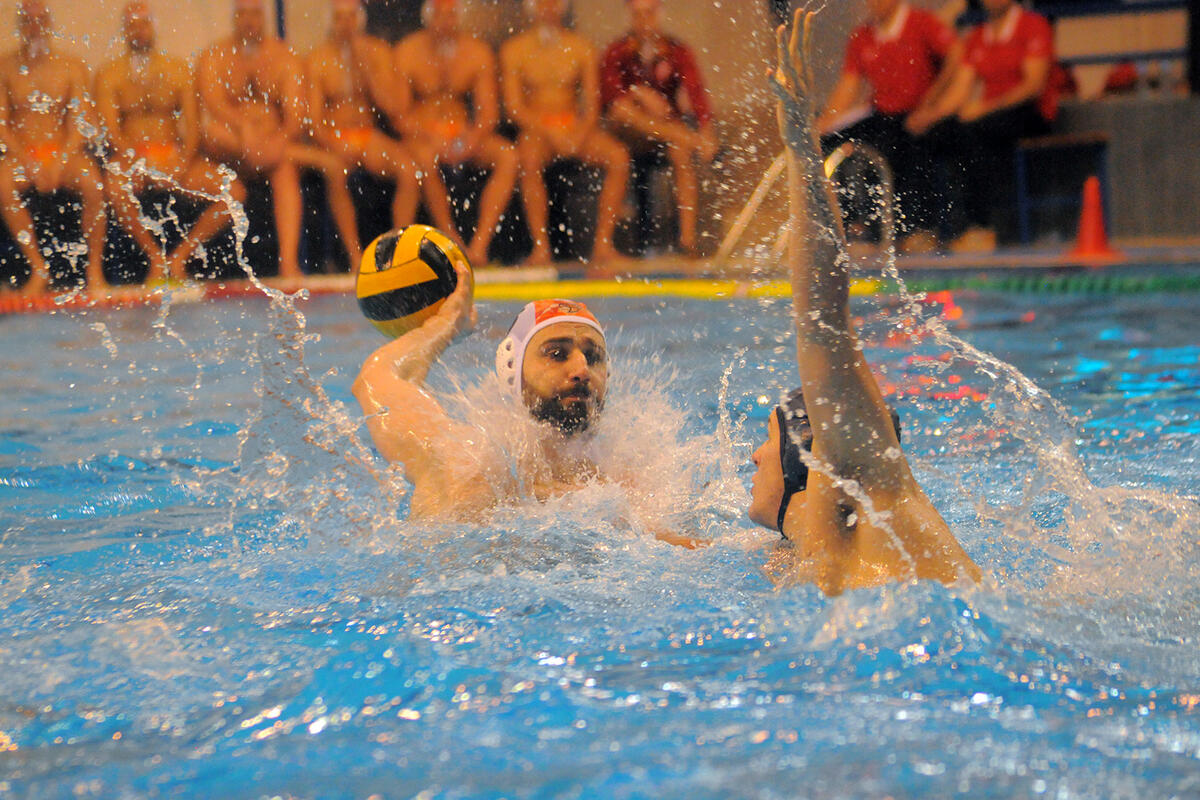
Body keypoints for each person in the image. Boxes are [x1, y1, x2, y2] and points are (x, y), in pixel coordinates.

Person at [749, 9, 980, 593]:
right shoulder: (808, 554)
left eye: (769, 439)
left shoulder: (871, 496)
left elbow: (824, 322)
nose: (754, 456)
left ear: (814, 456)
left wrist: (803, 152)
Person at [197, 0, 361, 281]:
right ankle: (280, 154)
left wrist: (275, 141)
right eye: (243, 14)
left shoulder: (283, 57)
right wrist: (244, 128)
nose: (249, 21)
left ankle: (290, 263)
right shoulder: (215, 56)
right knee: (213, 131)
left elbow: (295, 116)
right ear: (235, 17)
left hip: (274, 148)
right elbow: (214, 105)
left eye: (255, 14)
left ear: (264, 18)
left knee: (286, 171)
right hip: (233, 148)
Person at [95, 1, 248, 284]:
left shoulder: (177, 70)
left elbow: (193, 127)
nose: (139, 31)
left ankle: (179, 258)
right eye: (132, 25)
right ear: (124, 31)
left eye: (144, 24)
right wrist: (139, 163)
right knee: (114, 186)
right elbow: (112, 131)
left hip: (173, 157)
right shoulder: (109, 75)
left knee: (234, 192)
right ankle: (155, 257)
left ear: (154, 27)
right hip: (133, 160)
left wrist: (182, 164)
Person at [816, 0, 959, 251]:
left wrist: (933, 100)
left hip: (916, 113)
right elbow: (848, 85)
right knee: (828, 141)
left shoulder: (921, 23)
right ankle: (848, 225)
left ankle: (917, 229)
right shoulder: (863, 36)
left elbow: (956, 56)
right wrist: (824, 122)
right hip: (882, 114)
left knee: (905, 145)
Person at [500, 0, 630, 265]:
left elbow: (592, 105)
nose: (548, 8)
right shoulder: (514, 50)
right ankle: (541, 248)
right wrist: (550, 132)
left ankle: (603, 245)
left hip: (573, 127)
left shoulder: (581, 47)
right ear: (532, 7)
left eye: (554, 3)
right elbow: (515, 108)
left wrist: (577, 135)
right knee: (528, 160)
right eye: (542, 3)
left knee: (618, 157)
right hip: (538, 130)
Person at [921, 0, 1057, 250]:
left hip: (1030, 114)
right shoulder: (978, 36)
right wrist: (928, 116)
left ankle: (982, 226)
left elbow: (1033, 85)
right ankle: (926, 228)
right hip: (990, 117)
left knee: (975, 134)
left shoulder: (1033, 26)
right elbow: (960, 90)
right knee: (934, 134)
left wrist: (985, 108)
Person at [392, 0, 519, 266]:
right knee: (424, 157)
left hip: (462, 133)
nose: (445, 22)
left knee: (508, 156)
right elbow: (401, 116)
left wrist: (472, 138)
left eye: (450, 15)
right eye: (439, 15)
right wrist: (431, 135)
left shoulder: (477, 52)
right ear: (427, 17)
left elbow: (488, 113)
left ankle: (480, 244)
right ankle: (451, 238)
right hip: (423, 136)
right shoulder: (408, 52)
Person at [0, 1, 107, 296]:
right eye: (28, 21)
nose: (35, 27)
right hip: (24, 155)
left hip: (63, 153)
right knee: (2, 183)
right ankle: (39, 269)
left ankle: (94, 270)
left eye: (40, 21)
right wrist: (27, 160)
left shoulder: (71, 66)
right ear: (20, 26)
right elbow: (2, 125)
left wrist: (61, 160)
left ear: (49, 24)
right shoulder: (5, 67)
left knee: (94, 183)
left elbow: (80, 122)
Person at [600, 0, 719, 258]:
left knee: (681, 152)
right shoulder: (617, 51)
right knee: (624, 110)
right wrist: (640, 93)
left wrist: (706, 128)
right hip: (629, 133)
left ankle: (687, 240)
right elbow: (610, 97)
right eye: (638, 15)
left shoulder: (675, 50)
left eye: (650, 13)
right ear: (630, 16)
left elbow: (696, 90)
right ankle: (688, 138)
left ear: (660, 14)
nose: (644, 20)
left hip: (663, 132)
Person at [307, 0, 425, 240]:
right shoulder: (317, 60)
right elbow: (314, 122)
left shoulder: (378, 52)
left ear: (361, 20)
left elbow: (392, 108)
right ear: (331, 23)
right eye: (340, 18)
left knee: (410, 172)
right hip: (335, 137)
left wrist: (367, 69)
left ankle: (399, 244)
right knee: (335, 172)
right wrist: (334, 144)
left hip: (368, 136)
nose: (346, 24)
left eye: (351, 17)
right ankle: (354, 253)